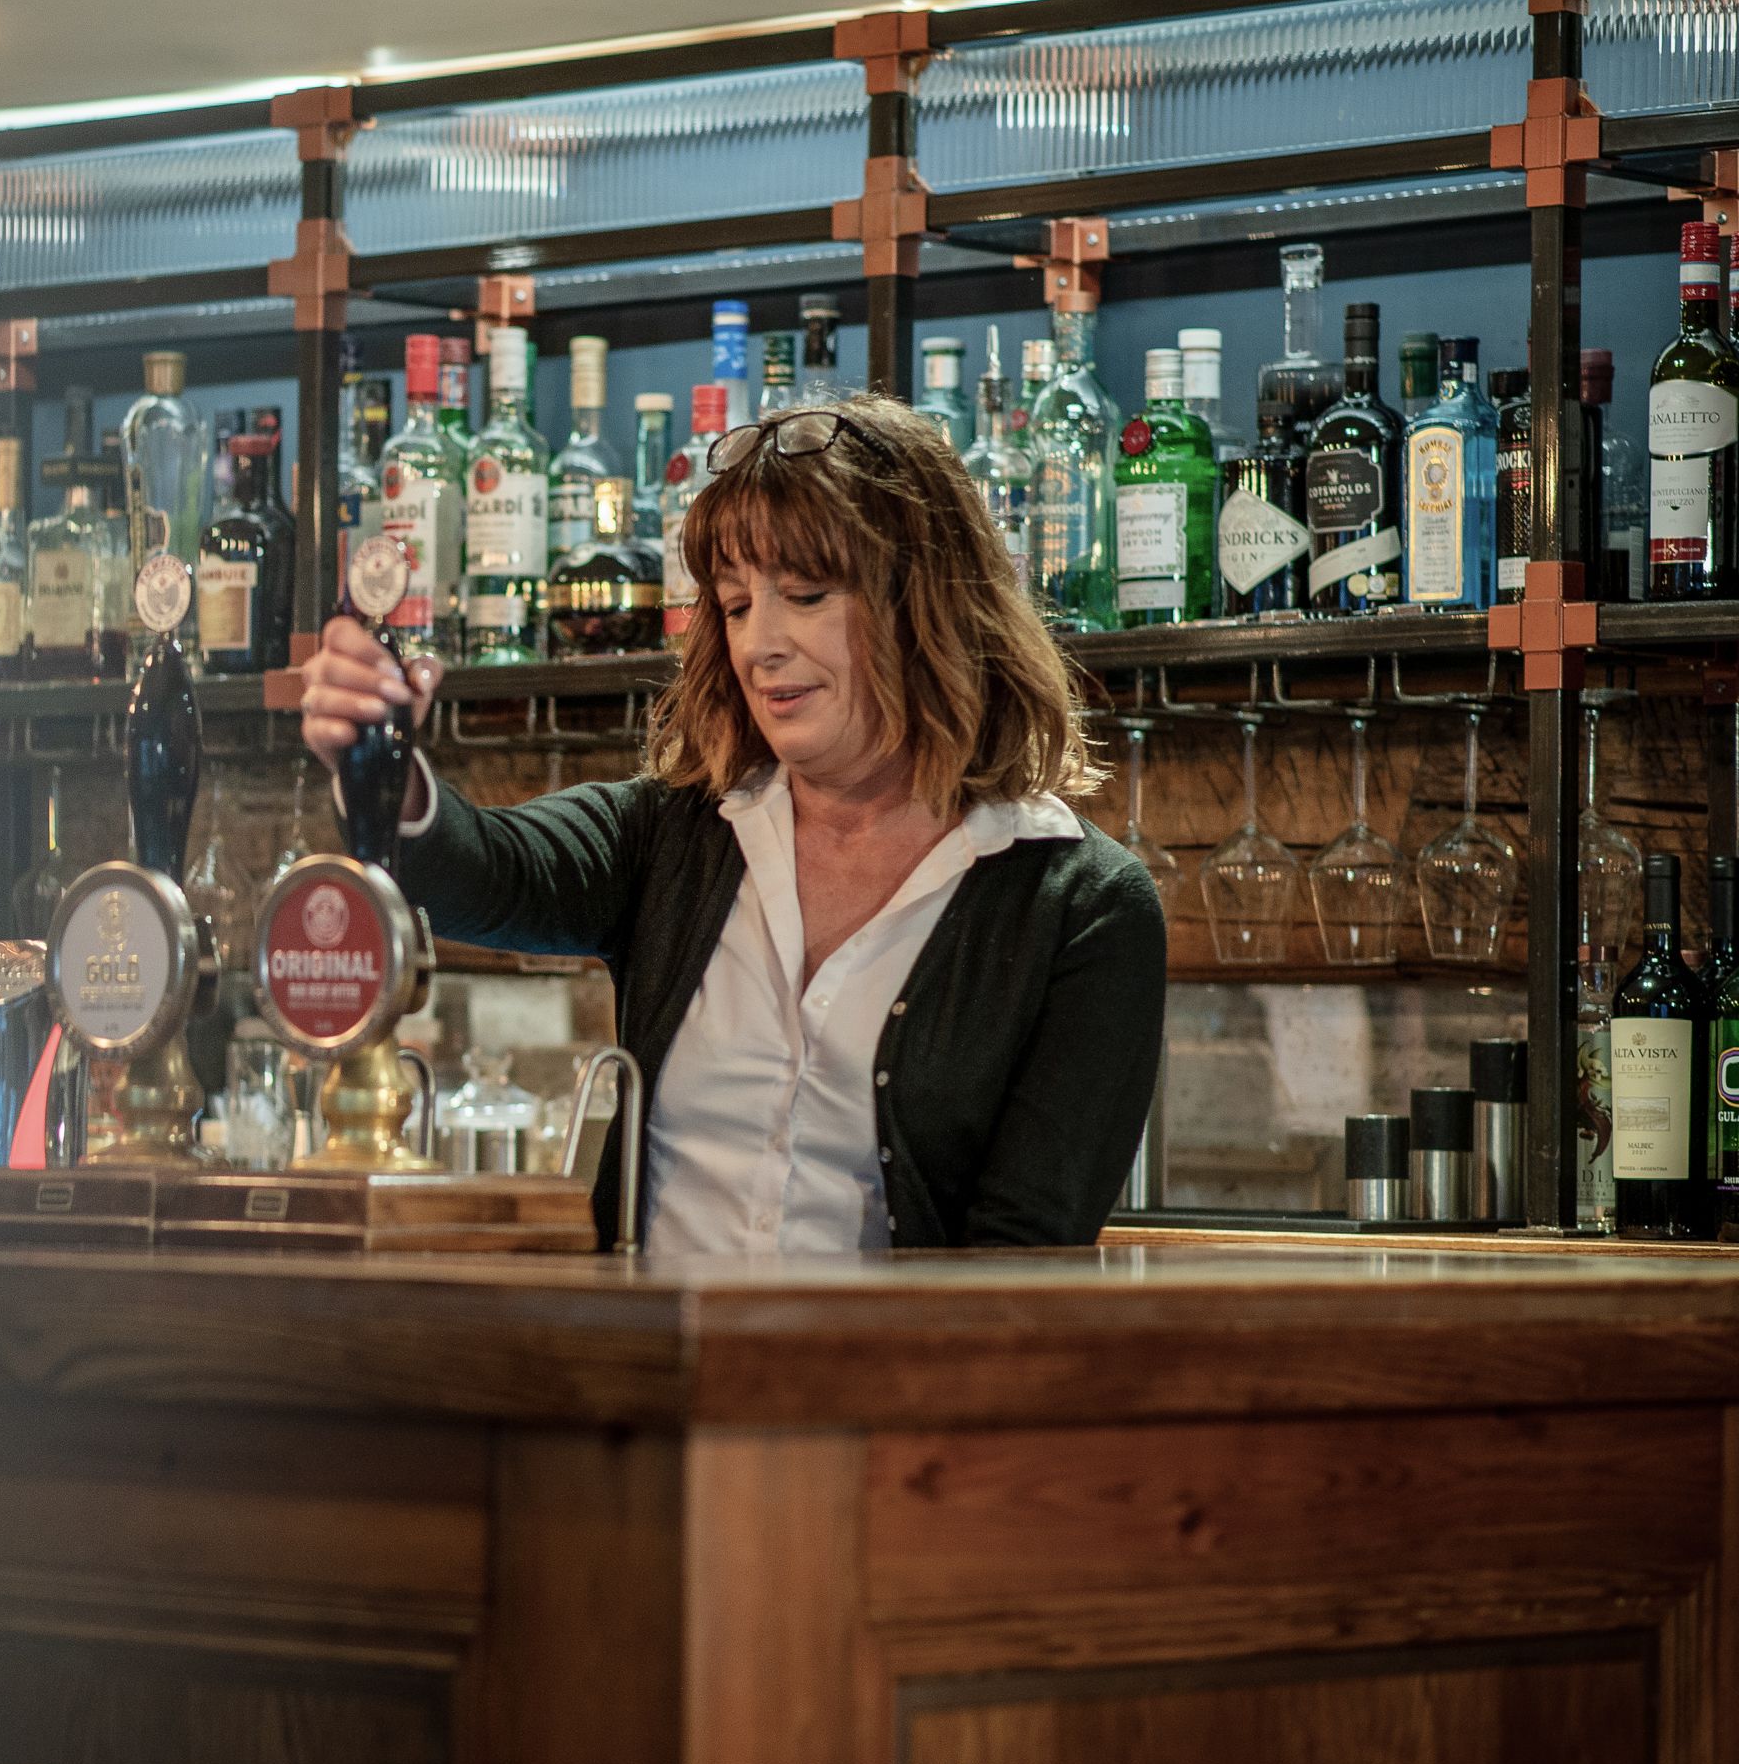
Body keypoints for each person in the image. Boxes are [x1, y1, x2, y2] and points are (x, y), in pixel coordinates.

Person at [297, 397, 1164, 1251]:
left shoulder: (1081, 907)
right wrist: (379, 767)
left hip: (892, 1387)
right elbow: (485, 869)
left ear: (925, 605)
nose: (761, 645)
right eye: (738, 604)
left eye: (807, 594)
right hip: (648, 1382)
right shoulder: (678, 833)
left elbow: (1020, 1261)